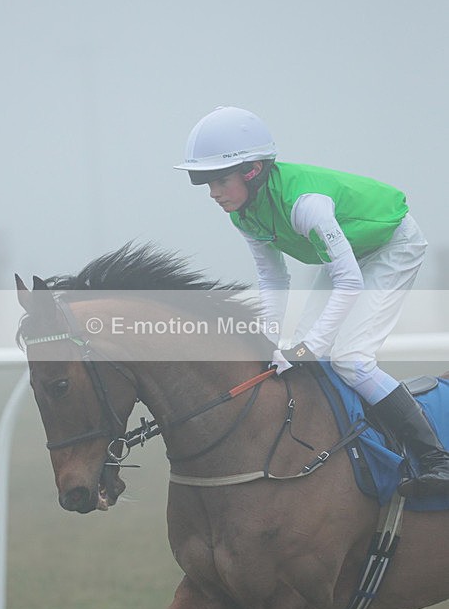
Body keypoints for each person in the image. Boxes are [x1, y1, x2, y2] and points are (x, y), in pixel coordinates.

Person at [174, 105, 449, 497]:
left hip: (392, 246)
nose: (214, 195)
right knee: (299, 354)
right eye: (207, 185)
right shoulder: (244, 213)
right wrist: (271, 340)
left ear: (252, 171)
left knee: (350, 359)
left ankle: (437, 459)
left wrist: (309, 347)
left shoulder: (307, 205)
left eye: (219, 182)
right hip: (348, 255)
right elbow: (273, 277)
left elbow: (350, 281)